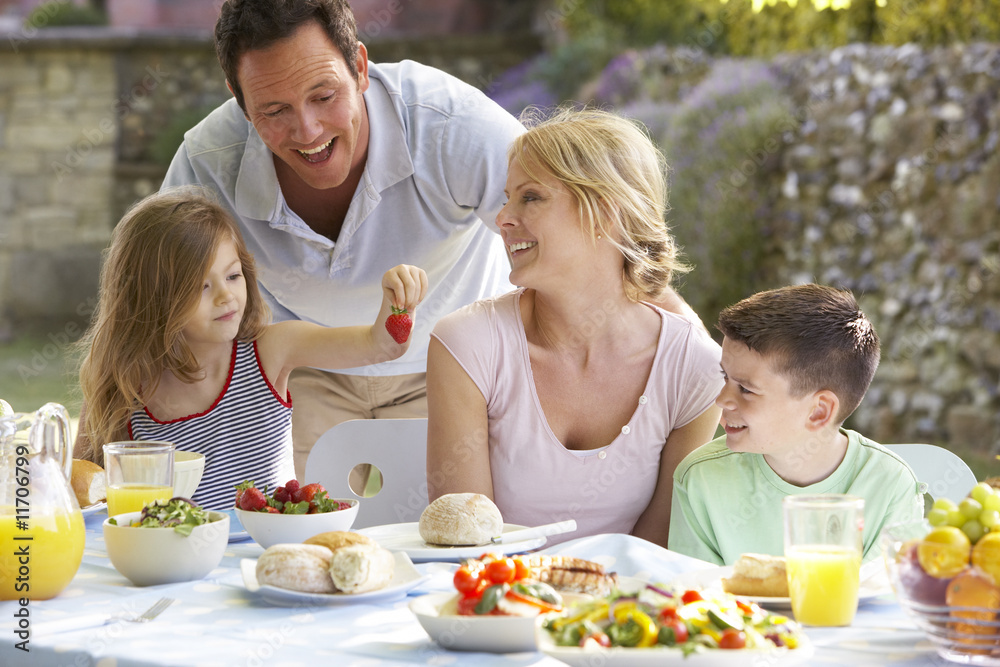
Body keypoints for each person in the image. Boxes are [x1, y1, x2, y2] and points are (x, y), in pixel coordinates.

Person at [161, 0, 701, 480]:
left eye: (323, 95)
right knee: (322, 542)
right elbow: (152, 293)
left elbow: (585, 235)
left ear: (361, 68)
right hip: (310, 370)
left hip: (451, 368)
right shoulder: (207, 162)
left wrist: (692, 349)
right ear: (237, 97)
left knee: (444, 539)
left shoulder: (452, 126)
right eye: (273, 111)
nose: (306, 130)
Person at [425, 108, 724, 548]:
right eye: (508, 197)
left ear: (603, 213)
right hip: (496, 609)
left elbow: (661, 549)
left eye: (530, 197)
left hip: (629, 610)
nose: (502, 218)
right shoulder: (466, 346)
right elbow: (467, 544)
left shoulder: (695, 369)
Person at [73, 188, 427, 510]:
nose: (226, 296)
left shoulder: (271, 350)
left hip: (264, 555)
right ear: (151, 298)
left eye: (232, 276)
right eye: (201, 287)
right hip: (173, 564)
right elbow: (83, 492)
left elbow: (378, 346)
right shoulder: (122, 379)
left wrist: (399, 305)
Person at [668, 283, 924, 565]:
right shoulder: (700, 480)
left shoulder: (891, 486)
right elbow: (695, 598)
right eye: (725, 377)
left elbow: (888, 602)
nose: (721, 400)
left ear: (818, 412)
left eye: (746, 389)